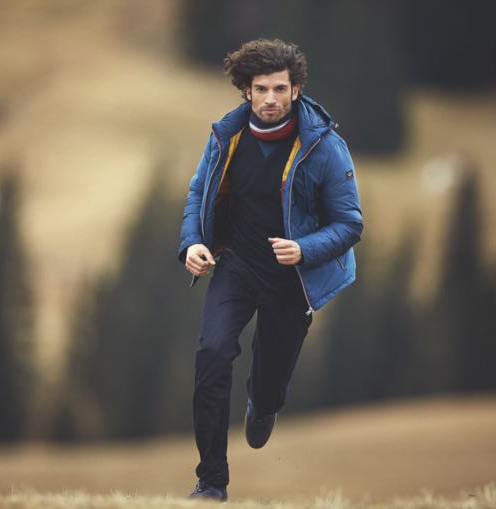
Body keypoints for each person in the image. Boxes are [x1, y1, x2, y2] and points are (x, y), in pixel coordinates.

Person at [178, 39, 363, 502]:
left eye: (280, 88)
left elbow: (349, 224)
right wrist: (192, 243)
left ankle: (262, 405)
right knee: (212, 354)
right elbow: (198, 191)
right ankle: (211, 481)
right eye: (261, 89)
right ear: (246, 90)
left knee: (268, 386)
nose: (270, 99)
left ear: (296, 89)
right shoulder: (226, 136)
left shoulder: (325, 146)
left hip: (292, 278)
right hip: (236, 265)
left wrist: (303, 249)